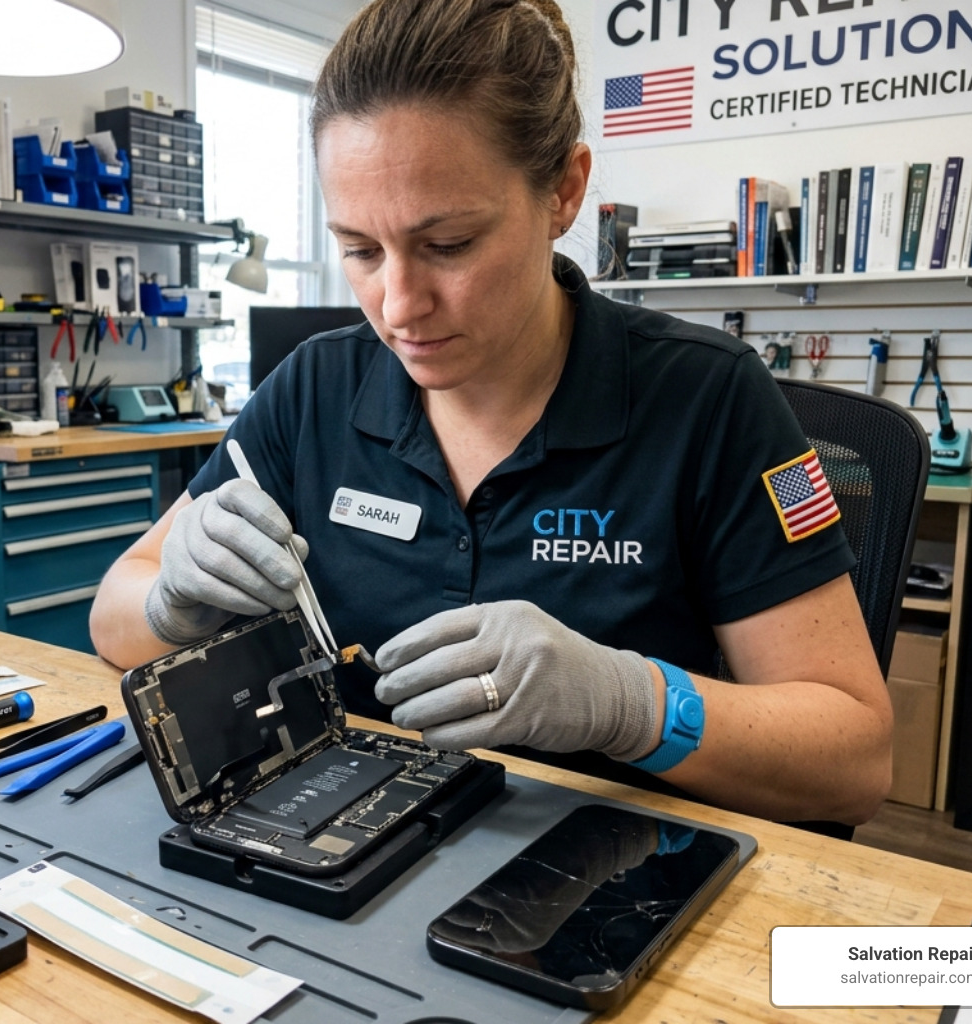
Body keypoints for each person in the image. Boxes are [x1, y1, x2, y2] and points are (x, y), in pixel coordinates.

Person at [91, 0, 892, 828]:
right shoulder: (313, 390)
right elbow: (113, 617)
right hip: (348, 845)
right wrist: (171, 607)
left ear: (564, 193)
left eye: (449, 245)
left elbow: (854, 759)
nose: (398, 306)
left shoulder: (710, 398)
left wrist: (633, 705)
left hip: (598, 880)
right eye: (361, 250)